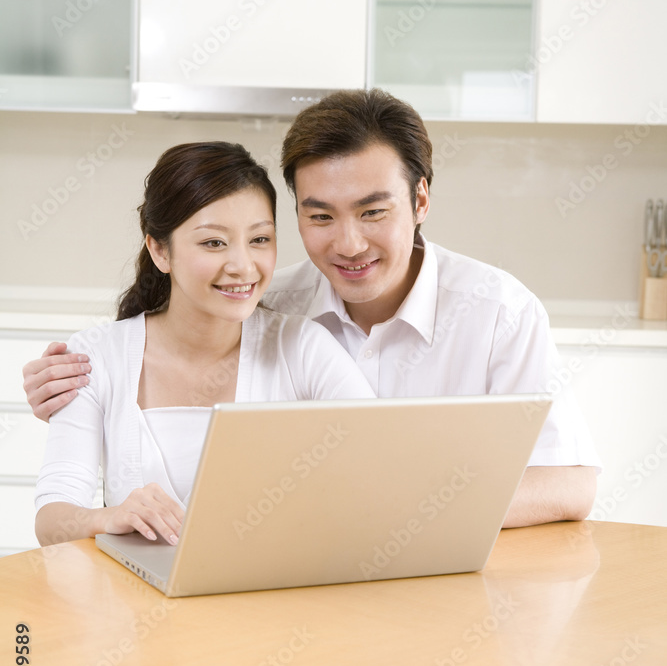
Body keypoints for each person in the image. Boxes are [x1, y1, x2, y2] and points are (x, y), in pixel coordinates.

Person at [25, 91, 598, 529]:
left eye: (373, 212)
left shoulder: (499, 314)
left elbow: (569, 486)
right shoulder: (267, 304)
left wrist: (416, 512)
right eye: (321, 216)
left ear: (420, 199)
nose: (348, 244)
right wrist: (72, 384)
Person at [34, 142, 374, 546]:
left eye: (260, 240)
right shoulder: (98, 355)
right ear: (160, 250)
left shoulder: (302, 347)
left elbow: (376, 463)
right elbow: (52, 519)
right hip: (131, 603)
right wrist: (108, 517)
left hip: (263, 599)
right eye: (214, 243)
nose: (243, 266)